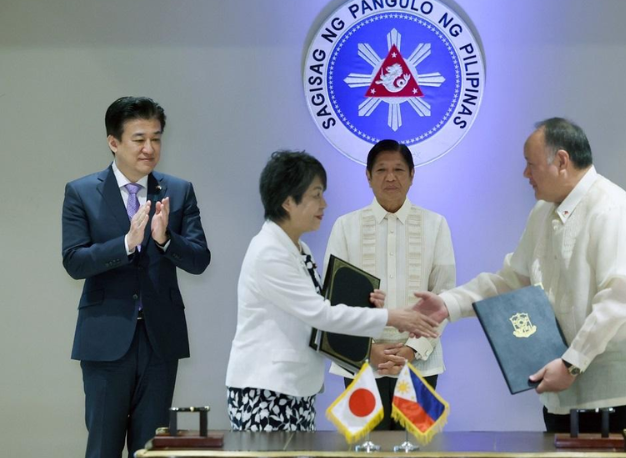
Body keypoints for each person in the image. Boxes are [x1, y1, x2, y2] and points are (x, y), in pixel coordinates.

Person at [414, 118, 626, 457]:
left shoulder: (612, 209)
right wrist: (450, 304)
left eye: (530, 164)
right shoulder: (543, 213)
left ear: (562, 161)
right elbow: (511, 280)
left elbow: (618, 300)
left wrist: (571, 364)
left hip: (618, 389)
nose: (525, 174)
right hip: (564, 383)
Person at [224, 150, 439, 432]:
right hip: (267, 389)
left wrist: (368, 307)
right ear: (288, 202)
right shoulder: (270, 252)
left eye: (399, 170)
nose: (324, 204)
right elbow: (321, 314)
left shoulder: (298, 248)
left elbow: (325, 305)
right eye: (316, 195)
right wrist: (390, 318)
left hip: (295, 387)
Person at [62, 96, 211, 458]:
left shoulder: (178, 190)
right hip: (106, 337)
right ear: (114, 142)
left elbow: (199, 259)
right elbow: (74, 261)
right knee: (102, 446)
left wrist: (164, 239)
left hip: (160, 339)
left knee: (151, 448)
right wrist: (126, 243)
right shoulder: (82, 192)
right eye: (139, 138)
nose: (150, 148)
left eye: (156, 138)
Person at [324, 140, 456, 430]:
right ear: (368, 176)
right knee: (365, 447)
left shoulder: (435, 225)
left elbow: (443, 296)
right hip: (362, 364)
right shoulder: (346, 227)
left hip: (420, 363)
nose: (390, 177)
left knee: (415, 448)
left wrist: (411, 349)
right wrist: (367, 349)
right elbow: (333, 300)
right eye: (381, 169)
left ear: (412, 174)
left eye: (398, 169)